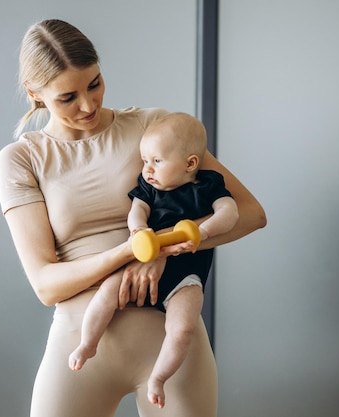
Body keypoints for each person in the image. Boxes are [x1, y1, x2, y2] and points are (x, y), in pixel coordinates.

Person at [0, 18, 266, 417]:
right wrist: (131, 252)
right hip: (80, 347)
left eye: (94, 84)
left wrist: (164, 250)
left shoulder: (152, 129)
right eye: (67, 97)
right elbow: (46, 284)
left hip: (172, 348)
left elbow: (249, 214)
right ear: (35, 94)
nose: (88, 105)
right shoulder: (22, 159)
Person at [68, 112, 239, 409]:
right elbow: (137, 212)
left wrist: (202, 231)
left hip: (185, 279)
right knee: (108, 291)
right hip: (142, 259)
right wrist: (139, 231)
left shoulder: (208, 186)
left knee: (183, 327)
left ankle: (159, 377)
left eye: (156, 161)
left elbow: (231, 212)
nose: (147, 169)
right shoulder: (148, 188)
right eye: (145, 160)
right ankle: (88, 343)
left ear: (190, 164)